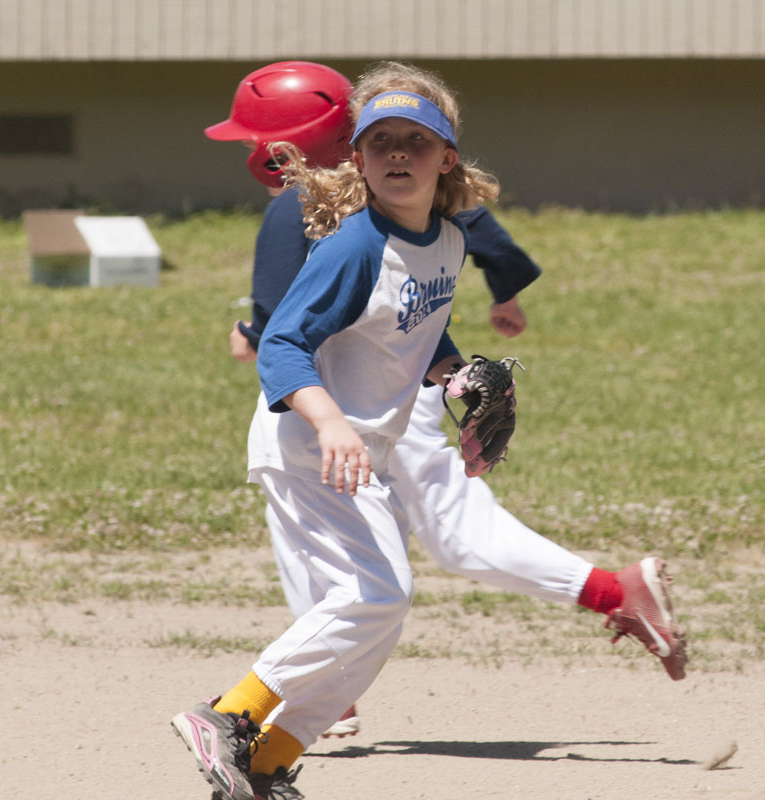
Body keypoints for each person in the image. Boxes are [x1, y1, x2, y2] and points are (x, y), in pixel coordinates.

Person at [173, 62, 686, 800]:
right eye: (380, 141)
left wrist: (459, 377)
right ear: (357, 157)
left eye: (416, 140)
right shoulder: (355, 245)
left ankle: (268, 758)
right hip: (310, 448)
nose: (398, 153)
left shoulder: (444, 241)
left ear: (447, 157)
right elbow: (281, 343)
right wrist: (331, 424)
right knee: (373, 598)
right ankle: (229, 716)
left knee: (380, 613)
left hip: (359, 451)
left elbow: (415, 334)